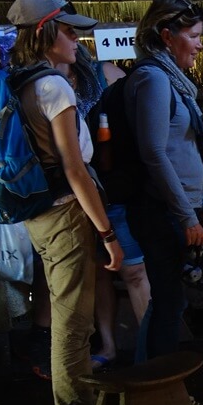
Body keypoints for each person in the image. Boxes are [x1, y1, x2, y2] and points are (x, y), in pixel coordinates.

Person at [4, 0, 124, 405]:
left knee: (67, 315)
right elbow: (75, 170)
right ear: (46, 33)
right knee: (73, 326)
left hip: (39, 212)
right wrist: (107, 232)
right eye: (69, 30)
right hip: (66, 215)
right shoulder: (54, 87)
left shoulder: (20, 80)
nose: (77, 39)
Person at [124, 0, 203, 392]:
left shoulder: (171, 81)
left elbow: (183, 152)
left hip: (176, 207)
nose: (200, 44)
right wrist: (184, 215)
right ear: (167, 35)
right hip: (160, 211)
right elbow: (154, 152)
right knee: (168, 305)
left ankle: (151, 388)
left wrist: (201, 203)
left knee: (169, 302)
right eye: (194, 35)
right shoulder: (152, 79)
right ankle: (161, 394)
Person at [66, 44, 150, 370]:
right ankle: (110, 346)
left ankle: (149, 353)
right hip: (78, 194)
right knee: (99, 273)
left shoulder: (111, 75)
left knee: (134, 271)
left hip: (115, 188)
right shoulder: (51, 81)